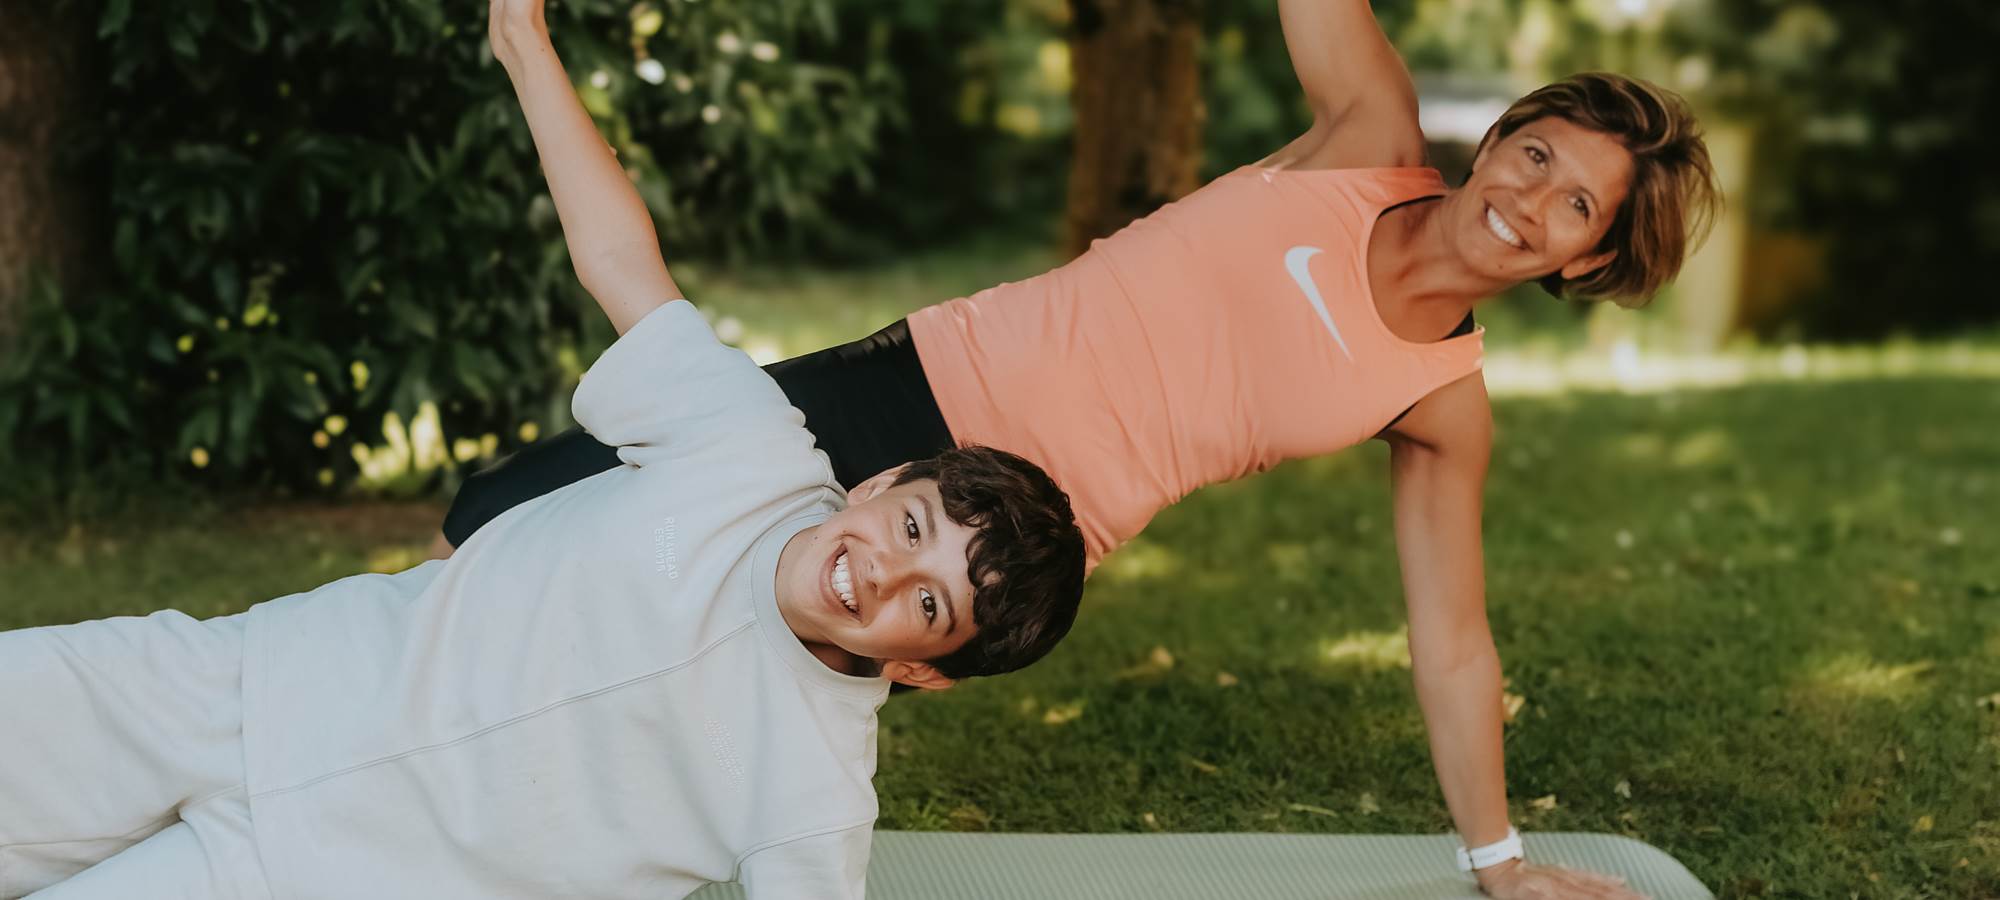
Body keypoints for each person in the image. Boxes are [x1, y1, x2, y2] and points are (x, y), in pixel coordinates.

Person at [440, 1, 1721, 897]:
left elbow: (1450, 640)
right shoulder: (1365, 136)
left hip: (1006, 551)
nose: (1525, 197)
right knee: (510, 525)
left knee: (703, 700)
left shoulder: (1440, 403)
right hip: (913, 390)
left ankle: (479, 850)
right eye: (1535, 151)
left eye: (1572, 205)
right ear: (1498, 133)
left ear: (1588, 258)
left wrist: (1494, 863)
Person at [0, 2, 1087, 896]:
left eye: (928, 606)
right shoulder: (750, 449)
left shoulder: (814, 799)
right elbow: (623, 263)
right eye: (910, 526)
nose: (885, 570)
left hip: (315, 877)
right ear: (884, 479)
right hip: (245, 685)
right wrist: (523, 38)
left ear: (918, 672)